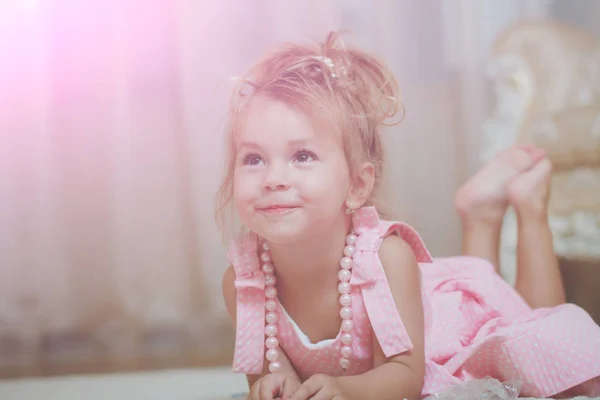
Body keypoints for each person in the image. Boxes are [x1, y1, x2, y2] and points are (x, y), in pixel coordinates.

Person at [217, 32, 600, 400]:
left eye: (302, 156)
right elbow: (269, 370)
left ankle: (528, 205)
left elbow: (406, 376)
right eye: (253, 159)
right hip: (430, 312)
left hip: (441, 324)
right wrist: (273, 385)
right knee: (484, 330)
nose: (273, 179)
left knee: (541, 334)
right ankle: (480, 213)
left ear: (357, 185)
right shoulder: (244, 283)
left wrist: (348, 391)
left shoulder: (388, 259)